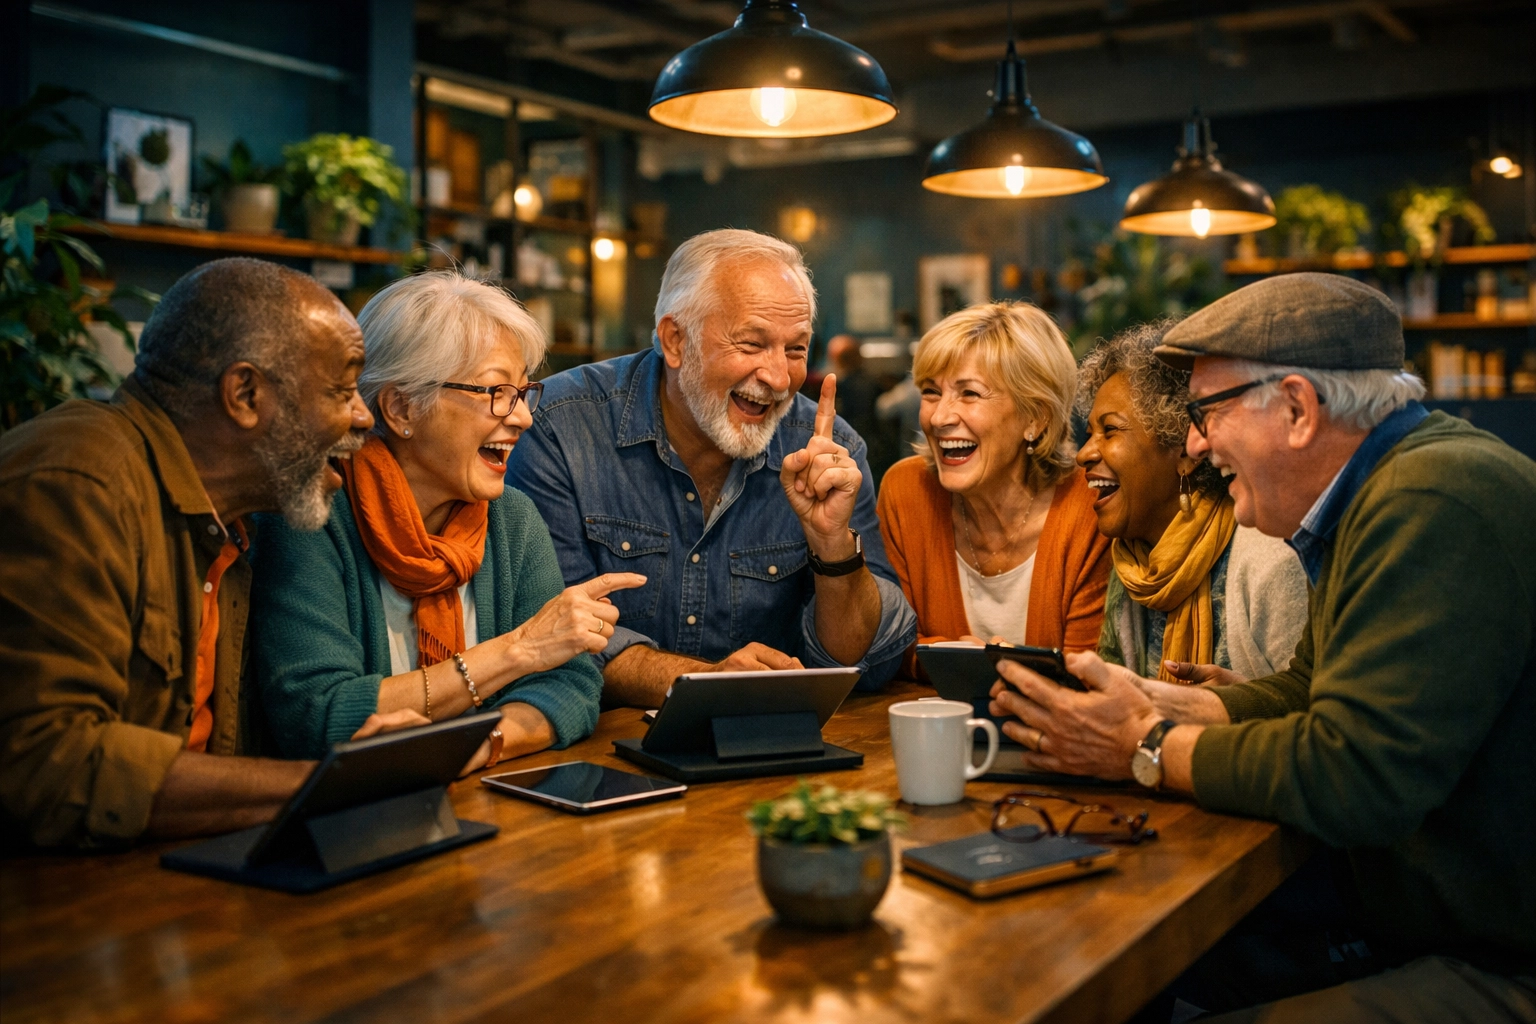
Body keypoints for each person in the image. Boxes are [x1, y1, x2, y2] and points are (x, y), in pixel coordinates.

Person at [988, 274, 1536, 1021]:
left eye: (1208, 412)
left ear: (1298, 409)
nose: (1194, 441)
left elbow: (1355, 779)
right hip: (1411, 907)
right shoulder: (1384, 491)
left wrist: (1144, 745)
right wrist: (1181, 703)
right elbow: (1307, 687)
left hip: (1496, 961)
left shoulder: (1428, 500)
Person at [0, 258, 377, 848]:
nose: (364, 416)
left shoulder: (230, 526)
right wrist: (325, 785)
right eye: (343, 389)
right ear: (245, 394)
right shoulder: (77, 483)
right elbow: (48, 761)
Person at [505, 228, 917, 708]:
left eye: (797, 349)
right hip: (604, 757)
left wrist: (834, 548)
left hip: (774, 752)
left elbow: (865, 663)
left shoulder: (831, 450)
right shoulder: (561, 425)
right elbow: (552, 632)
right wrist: (710, 683)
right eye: (751, 344)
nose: (780, 378)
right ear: (675, 340)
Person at [251, 271, 612, 765]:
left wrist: (478, 747)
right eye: (495, 392)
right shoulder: (312, 517)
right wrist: (516, 651)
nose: (523, 417)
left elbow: (571, 684)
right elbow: (320, 716)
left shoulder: (511, 520)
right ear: (402, 407)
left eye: (524, 392)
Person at [876, 302, 1111, 678]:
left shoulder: (1090, 507)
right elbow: (886, 648)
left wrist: (966, 662)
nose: (939, 418)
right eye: (931, 391)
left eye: (969, 393)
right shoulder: (907, 491)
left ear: (1035, 417)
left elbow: (1087, 673)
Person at [1076, 321, 1308, 682]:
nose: (1083, 454)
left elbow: (1313, 711)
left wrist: (1232, 707)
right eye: (1090, 433)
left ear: (1185, 452)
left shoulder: (1269, 559)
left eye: (1110, 430)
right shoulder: (1133, 564)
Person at [826, 333, 892, 483]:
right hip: (877, 451)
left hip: (856, 451)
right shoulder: (875, 382)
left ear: (839, 360)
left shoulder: (843, 387)